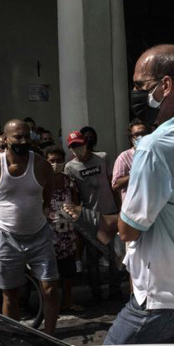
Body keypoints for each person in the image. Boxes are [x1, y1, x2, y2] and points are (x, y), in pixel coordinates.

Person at [104, 44, 174, 345]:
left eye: (141, 86)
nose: (136, 94)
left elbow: (128, 230)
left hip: (160, 300)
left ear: (165, 85)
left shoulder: (155, 148)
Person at [0, 119, 61, 335]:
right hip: (6, 239)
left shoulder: (41, 165)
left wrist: (43, 210)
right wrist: (0, 216)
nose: (23, 141)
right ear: (6, 139)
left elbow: (48, 193)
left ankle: (51, 338)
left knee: (50, 289)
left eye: (26, 136)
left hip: (39, 236)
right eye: (17, 137)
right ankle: (14, 341)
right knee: (11, 294)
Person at [65, 130, 122, 304]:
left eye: (80, 144)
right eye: (74, 146)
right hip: (91, 217)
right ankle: (96, 293)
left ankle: (115, 290)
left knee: (115, 257)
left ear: (86, 143)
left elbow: (113, 183)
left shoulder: (102, 157)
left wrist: (120, 208)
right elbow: (73, 194)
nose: (78, 149)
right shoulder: (70, 168)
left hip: (110, 212)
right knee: (92, 259)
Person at [45, 145, 82, 313]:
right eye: (52, 161)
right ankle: (50, 307)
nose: (56, 164)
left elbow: (75, 202)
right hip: (48, 235)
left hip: (67, 234)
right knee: (49, 274)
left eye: (59, 160)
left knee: (68, 272)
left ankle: (67, 301)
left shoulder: (69, 181)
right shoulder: (42, 182)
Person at [112, 119, 152, 203]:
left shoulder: (155, 154)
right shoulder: (124, 157)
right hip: (133, 210)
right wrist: (137, 173)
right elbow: (115, 185)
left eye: (143, 134)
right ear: (131, 138)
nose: (141, 137)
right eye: (136, 135)